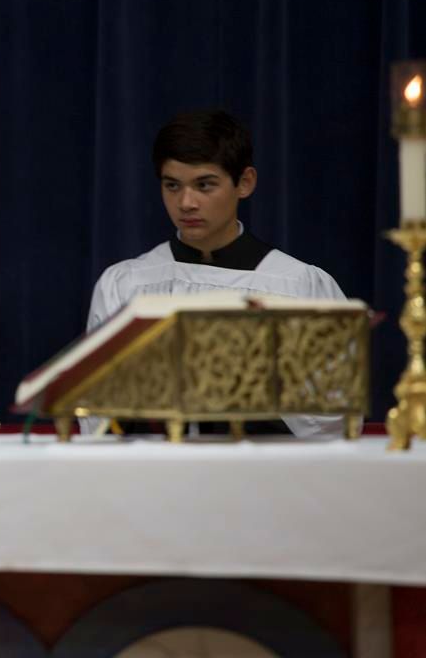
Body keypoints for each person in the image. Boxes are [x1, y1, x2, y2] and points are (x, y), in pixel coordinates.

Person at [86, 110, 346, 438]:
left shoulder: (299, 286)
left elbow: (330, 423)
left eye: (204, 185)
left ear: (245, 182)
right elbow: (94, 415)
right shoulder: (125, 286)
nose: (186, 202)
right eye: (172, 186)